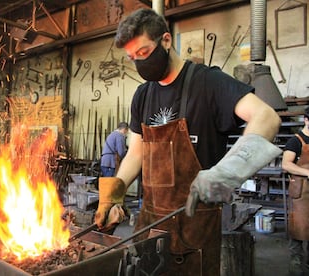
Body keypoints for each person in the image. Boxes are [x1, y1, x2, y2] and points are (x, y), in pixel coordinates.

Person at [94, 8, 281, 275]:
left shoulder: (209, 82)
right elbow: (136, 153)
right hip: (150, 223)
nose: (140, 62)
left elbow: (267, 117)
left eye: (144, 53)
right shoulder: (142, 95)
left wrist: (226, 173)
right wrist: (113, 196)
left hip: (195, 228)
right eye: (132, 58)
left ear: (166, 41)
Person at [282, 107, 309, 276]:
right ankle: (296, 268)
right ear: (306, 119)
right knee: (298, 229)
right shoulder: (296, 140)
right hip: (301, 192)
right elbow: (286, 164)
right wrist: (307, 172)